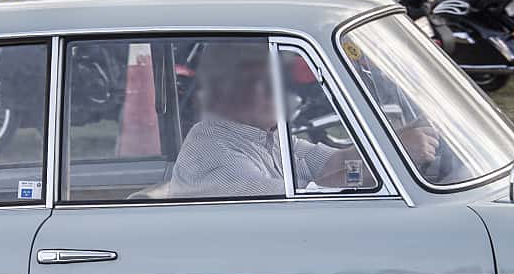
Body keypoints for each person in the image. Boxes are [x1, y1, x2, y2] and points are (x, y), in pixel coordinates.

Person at [163, 42, 435, 199]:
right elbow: (310, 197)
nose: (280, 90)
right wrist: (391, 156)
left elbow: (334, 163)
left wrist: (395, 143)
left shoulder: (264, 136)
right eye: (263, 81)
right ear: (226, 89)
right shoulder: (214, 152)